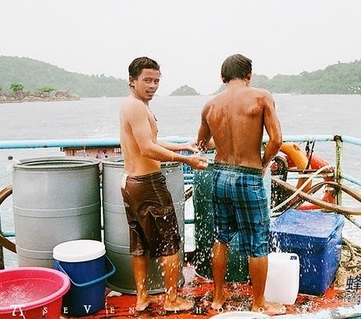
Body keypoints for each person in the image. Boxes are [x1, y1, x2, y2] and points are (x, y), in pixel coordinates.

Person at [196, 54, 284, 314]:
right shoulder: (261, 96)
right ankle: (258, 303)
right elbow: (277, 140)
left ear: (222, 78)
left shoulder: (210, 106)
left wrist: (223, 143)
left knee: (221, 238)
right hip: (248, 175)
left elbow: (202, 145)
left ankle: (218, 296)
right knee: (257, 240)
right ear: (249, 75)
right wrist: (264, 162)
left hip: (220, 175)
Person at [119, 56, 208, 312]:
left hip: (129, 183)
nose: (153, 86)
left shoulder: (134, 106)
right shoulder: (136, 107)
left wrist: (183, 145)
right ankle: (171, 299)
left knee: (139, 244)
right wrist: (186, 161)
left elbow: (150, 141)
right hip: (148, 184)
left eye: (157, 80)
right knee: (169, 241)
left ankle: (142, 297)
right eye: (147, 80)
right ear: (132, 80)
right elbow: (148, 149)